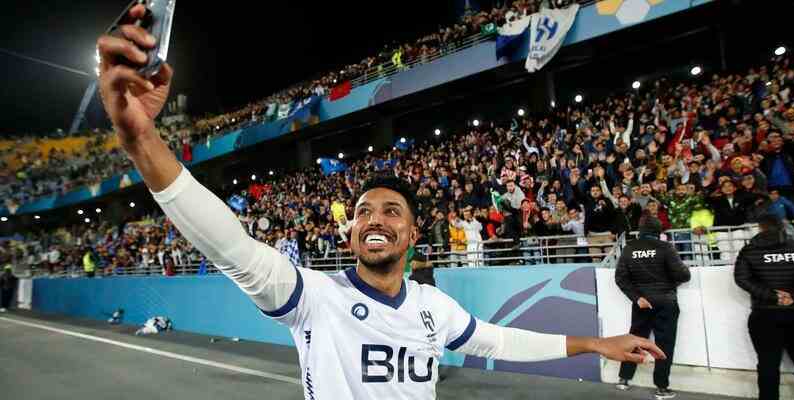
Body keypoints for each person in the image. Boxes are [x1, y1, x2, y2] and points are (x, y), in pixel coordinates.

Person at [96, 9, 666, 398]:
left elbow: (499, 340)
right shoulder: (311, 297)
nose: (374, 218)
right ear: (350, 235)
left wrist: (595, 342)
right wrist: (140, 140)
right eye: (364, 211)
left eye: (392, 211)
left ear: (414, 235)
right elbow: (228, 243)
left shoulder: (431, 308)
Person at [734, 214, 794, 400]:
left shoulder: (749, 250)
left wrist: (772, 297)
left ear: (760, 228)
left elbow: (741, 279)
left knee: (768, 366)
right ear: (782, 227)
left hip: (764, 315)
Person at [614, 213, 691, 400]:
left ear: (640, 231)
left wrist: (637, 297)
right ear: (658, 231)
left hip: (641, 303)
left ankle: (624, 379)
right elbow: (684, 275)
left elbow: (620, 278)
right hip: (666, 301)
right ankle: (661, 388)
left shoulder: (629, 248)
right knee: (664, 344)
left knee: (634, 340)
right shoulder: (665, 248)